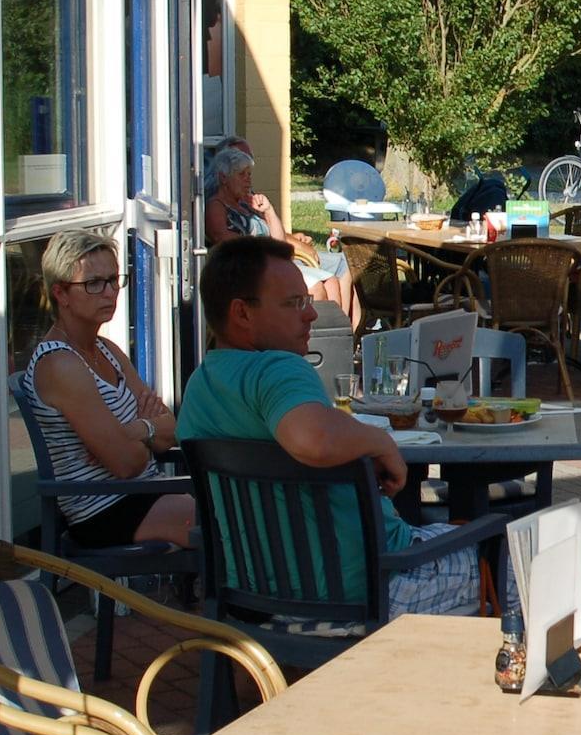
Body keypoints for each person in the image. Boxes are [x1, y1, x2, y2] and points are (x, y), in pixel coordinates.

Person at [177, 235, 478, 617]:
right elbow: (312, 439)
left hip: (253, 599)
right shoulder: (277, 369)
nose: (312, 315)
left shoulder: (201, 386)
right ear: (242, 313)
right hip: (369, 590)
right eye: (294, 303)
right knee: (518, 554)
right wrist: (381, 443)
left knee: (454, 535)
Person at [23, 231, 196, 548]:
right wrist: (147, 429)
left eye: (114, 280)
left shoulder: (107, 350)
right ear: (61, 293)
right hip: (103, 509)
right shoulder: (61, 364)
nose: (109, 292)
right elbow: (126, 464)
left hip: (145, 492)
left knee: (236, 513)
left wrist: (132, 430)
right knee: (227, 527)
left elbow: (171, 430)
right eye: (94, 283)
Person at [204, 144, 359, 326]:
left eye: (249, 174)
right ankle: (308, 339)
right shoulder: (216, 206)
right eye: (242, 174)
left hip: (272, 263)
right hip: (249, 270)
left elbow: (280, 241)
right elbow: (222, 239)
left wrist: (269, 211)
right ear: (223, 178)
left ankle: (337, 336)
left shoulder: (247, 204)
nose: (248, 180)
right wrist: (265, 248)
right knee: (316, 288)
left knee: (331, 281)